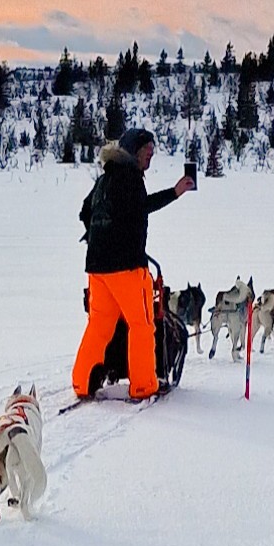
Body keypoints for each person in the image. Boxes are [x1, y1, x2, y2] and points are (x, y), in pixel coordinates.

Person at [71, 129, 198, 400]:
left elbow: (85, 211)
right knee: (141, 325)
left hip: (96, 267)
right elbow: (141, 208)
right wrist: (174, 194)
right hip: (126, 266)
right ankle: (143, 385)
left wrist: (100, 234)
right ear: (133, 151)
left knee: (99, 326)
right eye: (147, 151)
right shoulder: (130, 178)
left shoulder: (105, 178)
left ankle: (82, 383)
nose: (151, 155)